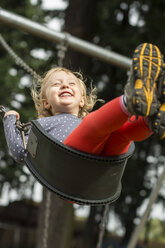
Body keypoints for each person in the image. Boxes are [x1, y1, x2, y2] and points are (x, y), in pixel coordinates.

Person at [3, 43, 165, 165]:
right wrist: (9, 120)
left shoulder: (91, 124)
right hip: (68, 167)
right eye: (56, 84)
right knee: (92, 126)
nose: (65, 85)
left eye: (71, 84)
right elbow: (19, 152)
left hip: (102, 165)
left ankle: (150, 119)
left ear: (82, 100)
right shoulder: (41, 125)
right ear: (46, 103)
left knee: (120, 134)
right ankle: (131, 101)